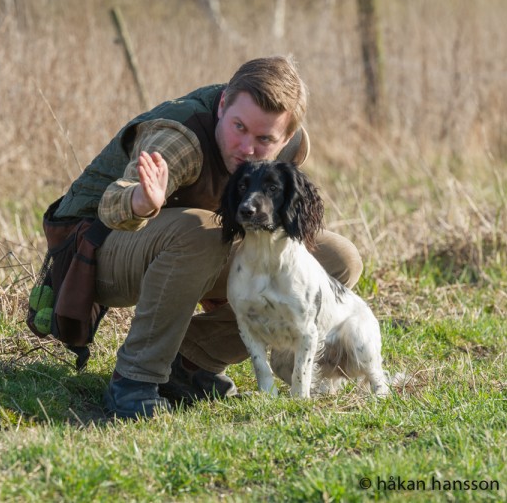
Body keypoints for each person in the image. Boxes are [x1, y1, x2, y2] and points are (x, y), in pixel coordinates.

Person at [52, 56, 363, 419]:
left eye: (265, 139)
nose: (247, 148)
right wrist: (140, 200)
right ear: (222, 105)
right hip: (96, 249)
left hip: (193, 245)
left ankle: (190, 362)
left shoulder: (288, 150)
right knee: (201, 232)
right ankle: (134, 382)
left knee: (335, 260)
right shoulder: (179, 139)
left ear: (287, 138)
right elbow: (111, 205)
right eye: (238, 127)